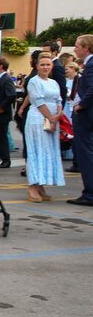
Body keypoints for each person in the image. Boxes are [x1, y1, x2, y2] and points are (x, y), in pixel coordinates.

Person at [24, 53, 66, 202]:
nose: (45, 67)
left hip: (53, 120)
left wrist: (57, 115)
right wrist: (50, 118)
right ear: (37, 66)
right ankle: (32, 187)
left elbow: (59, 100)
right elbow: (38, 101)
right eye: (42, 64)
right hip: (38, 120)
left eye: (48, 64)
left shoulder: (53, 83)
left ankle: (41, 185)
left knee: (48, 151)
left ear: (52, 66)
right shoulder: (34, 81)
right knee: (37, 151)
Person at [68, 34, 93, 205]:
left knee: (85, 154)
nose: (75, 49)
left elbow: (92, 88)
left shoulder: (90, 65)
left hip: (86, 115)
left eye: (77, 46)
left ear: (86, 47)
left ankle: (90, 193)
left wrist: (81, 105)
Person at [0, 57, 17, 169]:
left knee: (1, 138)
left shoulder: (6, 79)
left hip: (1, 113)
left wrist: (2, 107)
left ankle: (6, 159)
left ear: (1, 66)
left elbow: (11, 95)